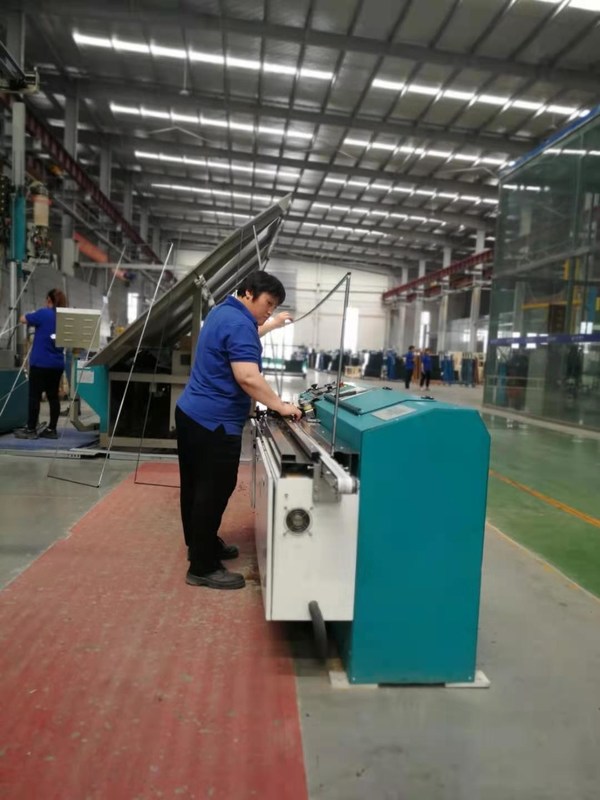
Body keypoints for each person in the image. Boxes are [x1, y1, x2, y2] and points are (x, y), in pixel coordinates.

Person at [175, 271, 302, 591]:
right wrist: (280, 405)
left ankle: (200, 544)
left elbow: (243, 336)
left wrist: (272, 326)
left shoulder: (223, 311)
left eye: (274, 307)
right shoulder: (240, 324)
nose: (270, 311)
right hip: (215, 423)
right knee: (214, 490)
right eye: (268, 304)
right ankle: (202, 566)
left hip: (191, 414)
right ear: (248, 293)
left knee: (194, 486)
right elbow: (247, 377)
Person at [15, 288, 67, 440]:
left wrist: (32, 314)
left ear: (49, 300)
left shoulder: (43, 313)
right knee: (53, 397)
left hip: (40, 364)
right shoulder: (64, 317)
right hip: (57, 364)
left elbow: (22, 319)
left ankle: (31, 429)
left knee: (34, 396)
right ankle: (52, 429)